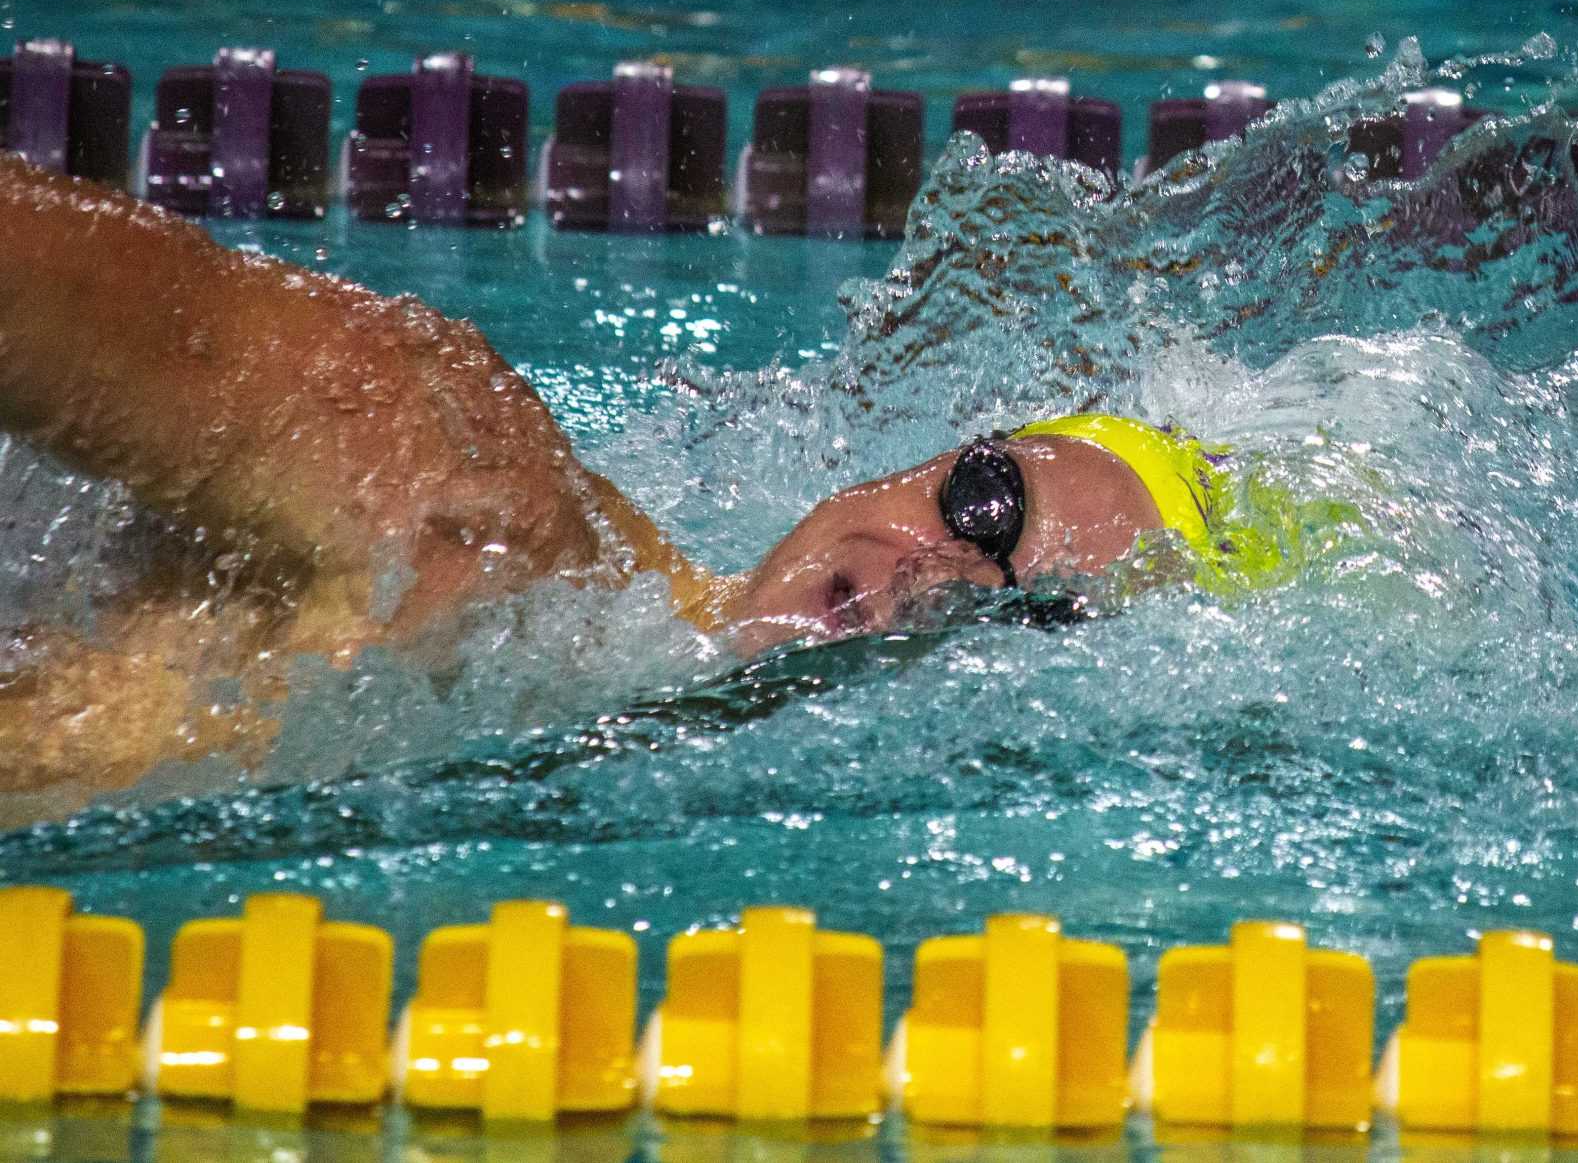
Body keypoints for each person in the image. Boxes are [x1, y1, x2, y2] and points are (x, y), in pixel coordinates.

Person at [0, 152, 1261, 802]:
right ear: (913, 461)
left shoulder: (601, 715)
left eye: (1022, 605)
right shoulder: (477, 499)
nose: (933, 575)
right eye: (983, 505)